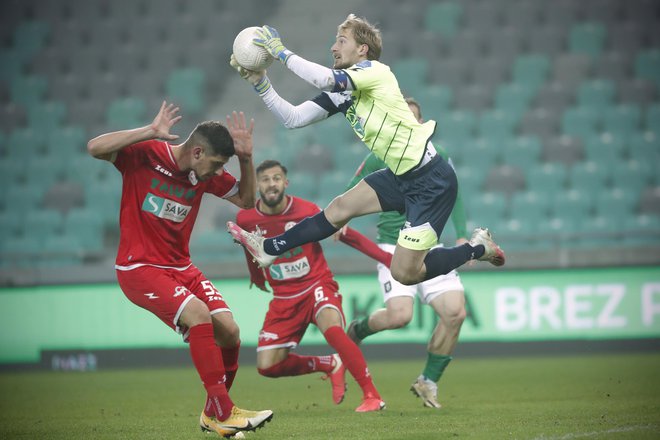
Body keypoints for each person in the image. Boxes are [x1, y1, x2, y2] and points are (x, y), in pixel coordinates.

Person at [226, 14, 505, 291]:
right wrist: (260, 82)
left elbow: (324, 79)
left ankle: (477, 248)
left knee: (405, 273)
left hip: (431, 181)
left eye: (341, 41)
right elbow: (293, 118)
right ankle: (270, 247)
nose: (333, 48)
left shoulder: (376, 72)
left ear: (362, 49)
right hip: (400, 176)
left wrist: (280, 51)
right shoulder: (343, 91)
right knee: (338, 209)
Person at [87, 101, 273, 438]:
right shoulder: (145, 155)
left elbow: (246, 201)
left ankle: (214, 412)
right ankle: (224, 411)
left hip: (181, 267)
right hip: (138, 267)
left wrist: (246, 159)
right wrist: (148, 131)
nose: (218, 173)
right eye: (217, 164)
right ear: (198, 152)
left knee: (230, 332)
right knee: (199, 314)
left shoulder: (202, 173)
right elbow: (94, 147)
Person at [340, 97, 469, 409]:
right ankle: (357, 330)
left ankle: (428, 382)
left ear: (421, 126)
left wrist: (463, 234)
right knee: (400, 316)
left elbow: (456, 194)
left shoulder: (439, 158)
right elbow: (353, 189)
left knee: (455, 312)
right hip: (392, 245)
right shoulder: (377, 157)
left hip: (429, 243)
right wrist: (339, 219)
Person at [235, 159, 392, 412]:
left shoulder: (307, 210)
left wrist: (386, 258)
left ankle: (371, 395)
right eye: (265, 179)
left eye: (276, 178)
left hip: (316, 284)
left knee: (332, 330)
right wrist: (255, 275)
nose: (271, 184)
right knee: (267, 366)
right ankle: (329, 364)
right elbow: (250, 247)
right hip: (284, 297)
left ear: (286, 183)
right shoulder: (246, 219)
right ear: (258, 186)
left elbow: (348, 235)